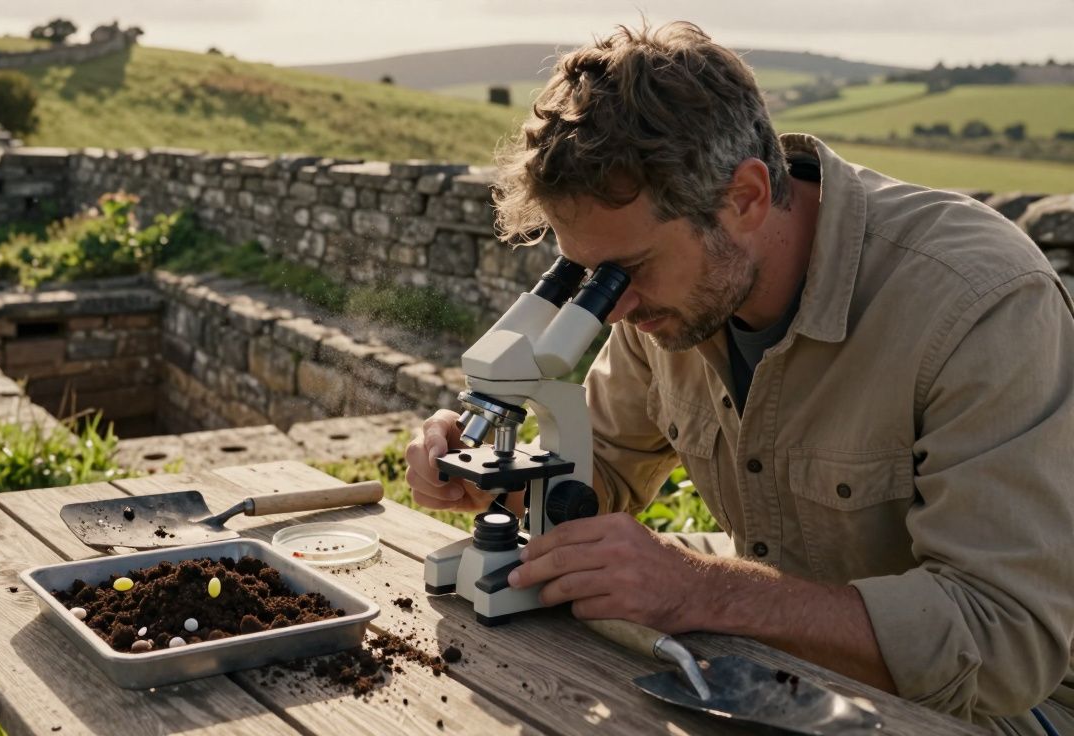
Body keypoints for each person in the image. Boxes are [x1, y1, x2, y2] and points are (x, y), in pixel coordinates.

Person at [404, 21, 1074, 736]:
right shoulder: (672, 305)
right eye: (595, 276)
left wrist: (702, 591)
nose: (616, 308)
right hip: (787, 660)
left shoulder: (978, 302)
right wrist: (495, 475)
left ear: (747, 197)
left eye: (629, 270)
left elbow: (1004, 642)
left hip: (995, 709)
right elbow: (601, 474)